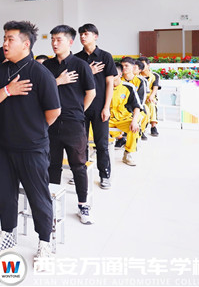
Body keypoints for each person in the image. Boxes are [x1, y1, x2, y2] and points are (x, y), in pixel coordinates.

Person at [0, 21, 60, 270]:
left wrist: (33, 131)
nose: (4, 43)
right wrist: (7, 90)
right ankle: (8, 235)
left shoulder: (41, 73)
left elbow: (54, 112)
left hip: (32, 148)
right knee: (5, 195)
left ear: (26, 44)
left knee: (38, 197)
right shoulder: (0, 71)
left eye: (10, 39)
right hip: (3, 146)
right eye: (4, 38)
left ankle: (45, 243)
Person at [43, 25, 96, 224]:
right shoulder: (47, 66)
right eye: (52, 39)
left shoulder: (81, 65)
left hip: (74, 123)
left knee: (78, 166)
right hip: (51, 122)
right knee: (52, 165)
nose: (54, 43)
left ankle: (83, 204)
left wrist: (78, 111)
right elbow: (41, 90)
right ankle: (53, 203)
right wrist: (58, 81)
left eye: (59, 39)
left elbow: (91, 93)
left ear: (70, 42)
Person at [75, 23, 116, 190]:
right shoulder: (76, 58)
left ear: (95, 36)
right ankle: (80, 174)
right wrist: (87, 71)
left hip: (99, 107)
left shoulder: (105, 57)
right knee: (80, 143)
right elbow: (74, 83)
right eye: (81, 34)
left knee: (101, 144)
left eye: (86, 33)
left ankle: (104, 175)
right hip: (82, 107)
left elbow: (110, 83)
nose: (83, 37)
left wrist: (106, 107)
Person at [109, 63, 142, 166]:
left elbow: (137, 106)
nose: (110, 75)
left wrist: (134, 121)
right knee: (90, 125)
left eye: (113, 73)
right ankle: (92, 152)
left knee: (134, 128)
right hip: (108, 119)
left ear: (120, 74)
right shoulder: (104, 86)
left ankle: (128, 153)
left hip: (124, 118)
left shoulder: (128, 87)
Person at [139, 57, 160, 137]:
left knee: (151, 105)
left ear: (148, 65)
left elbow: (155, 87)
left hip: (149, 97)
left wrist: (151, 96)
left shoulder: (155, 76)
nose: (141, 66)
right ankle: (142, 129)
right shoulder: (137, 75)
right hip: (140, 98)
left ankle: (153, 126)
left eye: (143, 64)